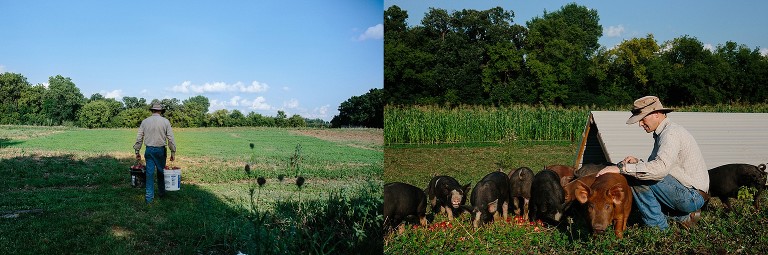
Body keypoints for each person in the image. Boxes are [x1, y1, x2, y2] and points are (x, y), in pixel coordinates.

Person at [597, 96, 709, 230]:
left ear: (656, 114)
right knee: (639, 172)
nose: (640, 124)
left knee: (635, 176)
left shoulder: (670, 134)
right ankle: (683, 217)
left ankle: (658, 228)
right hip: (691, 193)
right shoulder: (666, 132)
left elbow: (659, 170)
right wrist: (638, 163)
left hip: (692, 196)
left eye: (642, 118)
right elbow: (663, 167)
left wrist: (621, 168)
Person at [134, 103, 177, 204]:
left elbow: (139, 137)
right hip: (160, 150)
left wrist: (137, 151)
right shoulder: (165, 121)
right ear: (161, 111)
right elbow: (170, 138)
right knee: (161, 172)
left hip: (149, 150)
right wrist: (173, 152)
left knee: (149, 173)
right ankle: (162, 193)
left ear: (152, 110)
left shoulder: (145, 122)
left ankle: (149, 198)